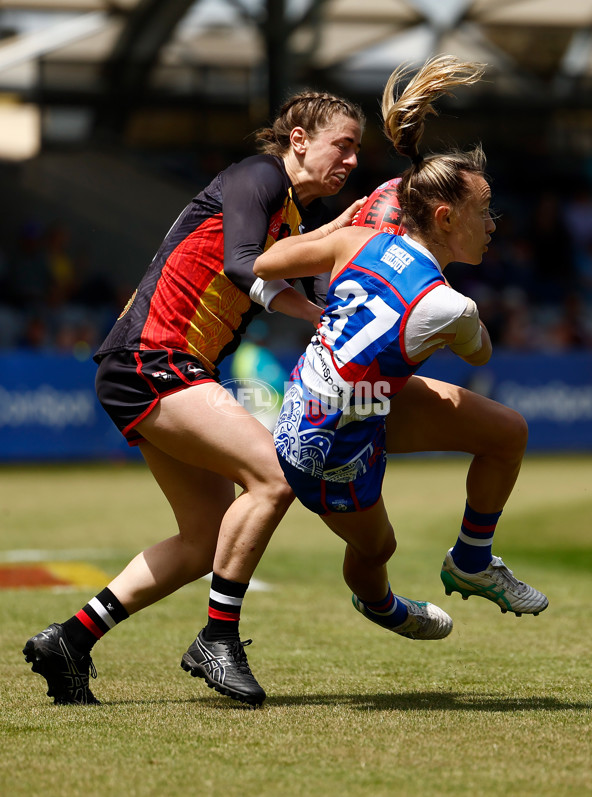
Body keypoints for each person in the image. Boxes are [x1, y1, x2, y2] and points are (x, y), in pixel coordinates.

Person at [23, 90, 366, 708]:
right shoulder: (258, 176)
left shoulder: (292, 219)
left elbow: (316, 281)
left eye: (357, 151)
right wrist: (309, 300)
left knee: (205, 540)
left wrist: (350, 263)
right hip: (152, 360)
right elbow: (242, 264)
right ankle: (218, 638)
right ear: (298, 141)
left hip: (155, 367)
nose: (350, 160)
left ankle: (69, 641)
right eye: (342, 145)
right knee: (272, 477)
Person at [253, 55, 548, 646]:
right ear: (443, 216)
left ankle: (472, 559)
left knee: (506, 432)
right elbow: (481, 353)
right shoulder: (451, 307)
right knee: (377, 548)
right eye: (483, 212)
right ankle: (381, 605)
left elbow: (264, 265)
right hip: (327, 443)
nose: (493, 223)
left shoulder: (363, 233)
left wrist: (345, 229)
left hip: (344, 399)